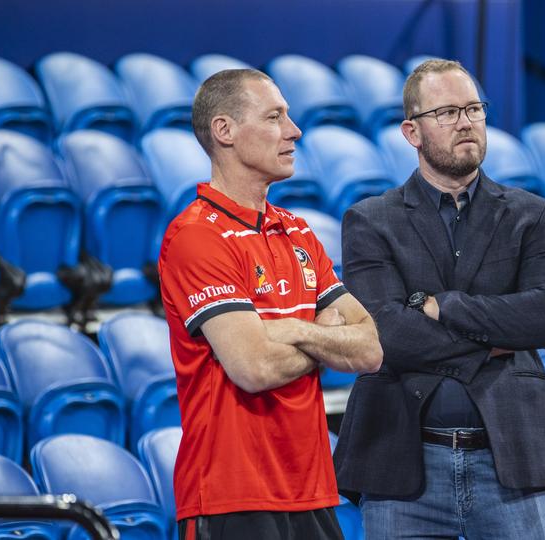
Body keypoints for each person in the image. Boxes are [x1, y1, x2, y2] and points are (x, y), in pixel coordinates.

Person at [333, 59, 545, 539]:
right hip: (403, 465)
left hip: (515, 456)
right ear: (412, 131)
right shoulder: (370, 221)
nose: (466, 122)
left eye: (473, 108)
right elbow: (387, 331)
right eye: (447, 112)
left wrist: (445, 306)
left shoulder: (533, 216)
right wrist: (492, 341)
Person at [158, 69, 383, 540]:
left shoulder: (298, 231)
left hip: (313, 490)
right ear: (225, 131)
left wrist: (292, 329)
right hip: (232, 498)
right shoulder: (197, 236)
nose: (294, 130)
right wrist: (323, 334)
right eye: (275, 116)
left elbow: (368, 350)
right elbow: (253, 367)